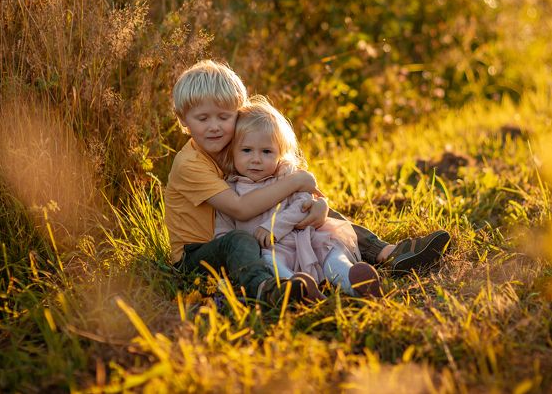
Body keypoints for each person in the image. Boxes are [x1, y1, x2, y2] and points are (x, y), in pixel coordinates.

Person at [165, 60, 450, 306]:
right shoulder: (190, 163)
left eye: (224, 117)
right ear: (183, 120)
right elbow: (240, 208)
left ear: (238, 117)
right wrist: (298, 180)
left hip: (249, 229)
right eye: (202, 118)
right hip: (199, 253)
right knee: (238, 242)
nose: (214, 126)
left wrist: (315, 205)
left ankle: (389, 254)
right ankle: (269, 290)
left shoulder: (234, 145)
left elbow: (283, 183)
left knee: (317, 218)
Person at [214, 96, 382, 298]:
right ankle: (297, 288)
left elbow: (302, 204)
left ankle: (353, 282)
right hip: (270, 251)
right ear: (233, 152)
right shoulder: (229, 189)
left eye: (267, 151)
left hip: (305, 240)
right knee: (270, 262)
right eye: (247, 150)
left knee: (331, 253)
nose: (256, 159)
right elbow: (224, 232)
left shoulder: (286, 176)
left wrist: (274, 227)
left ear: (280, 153)